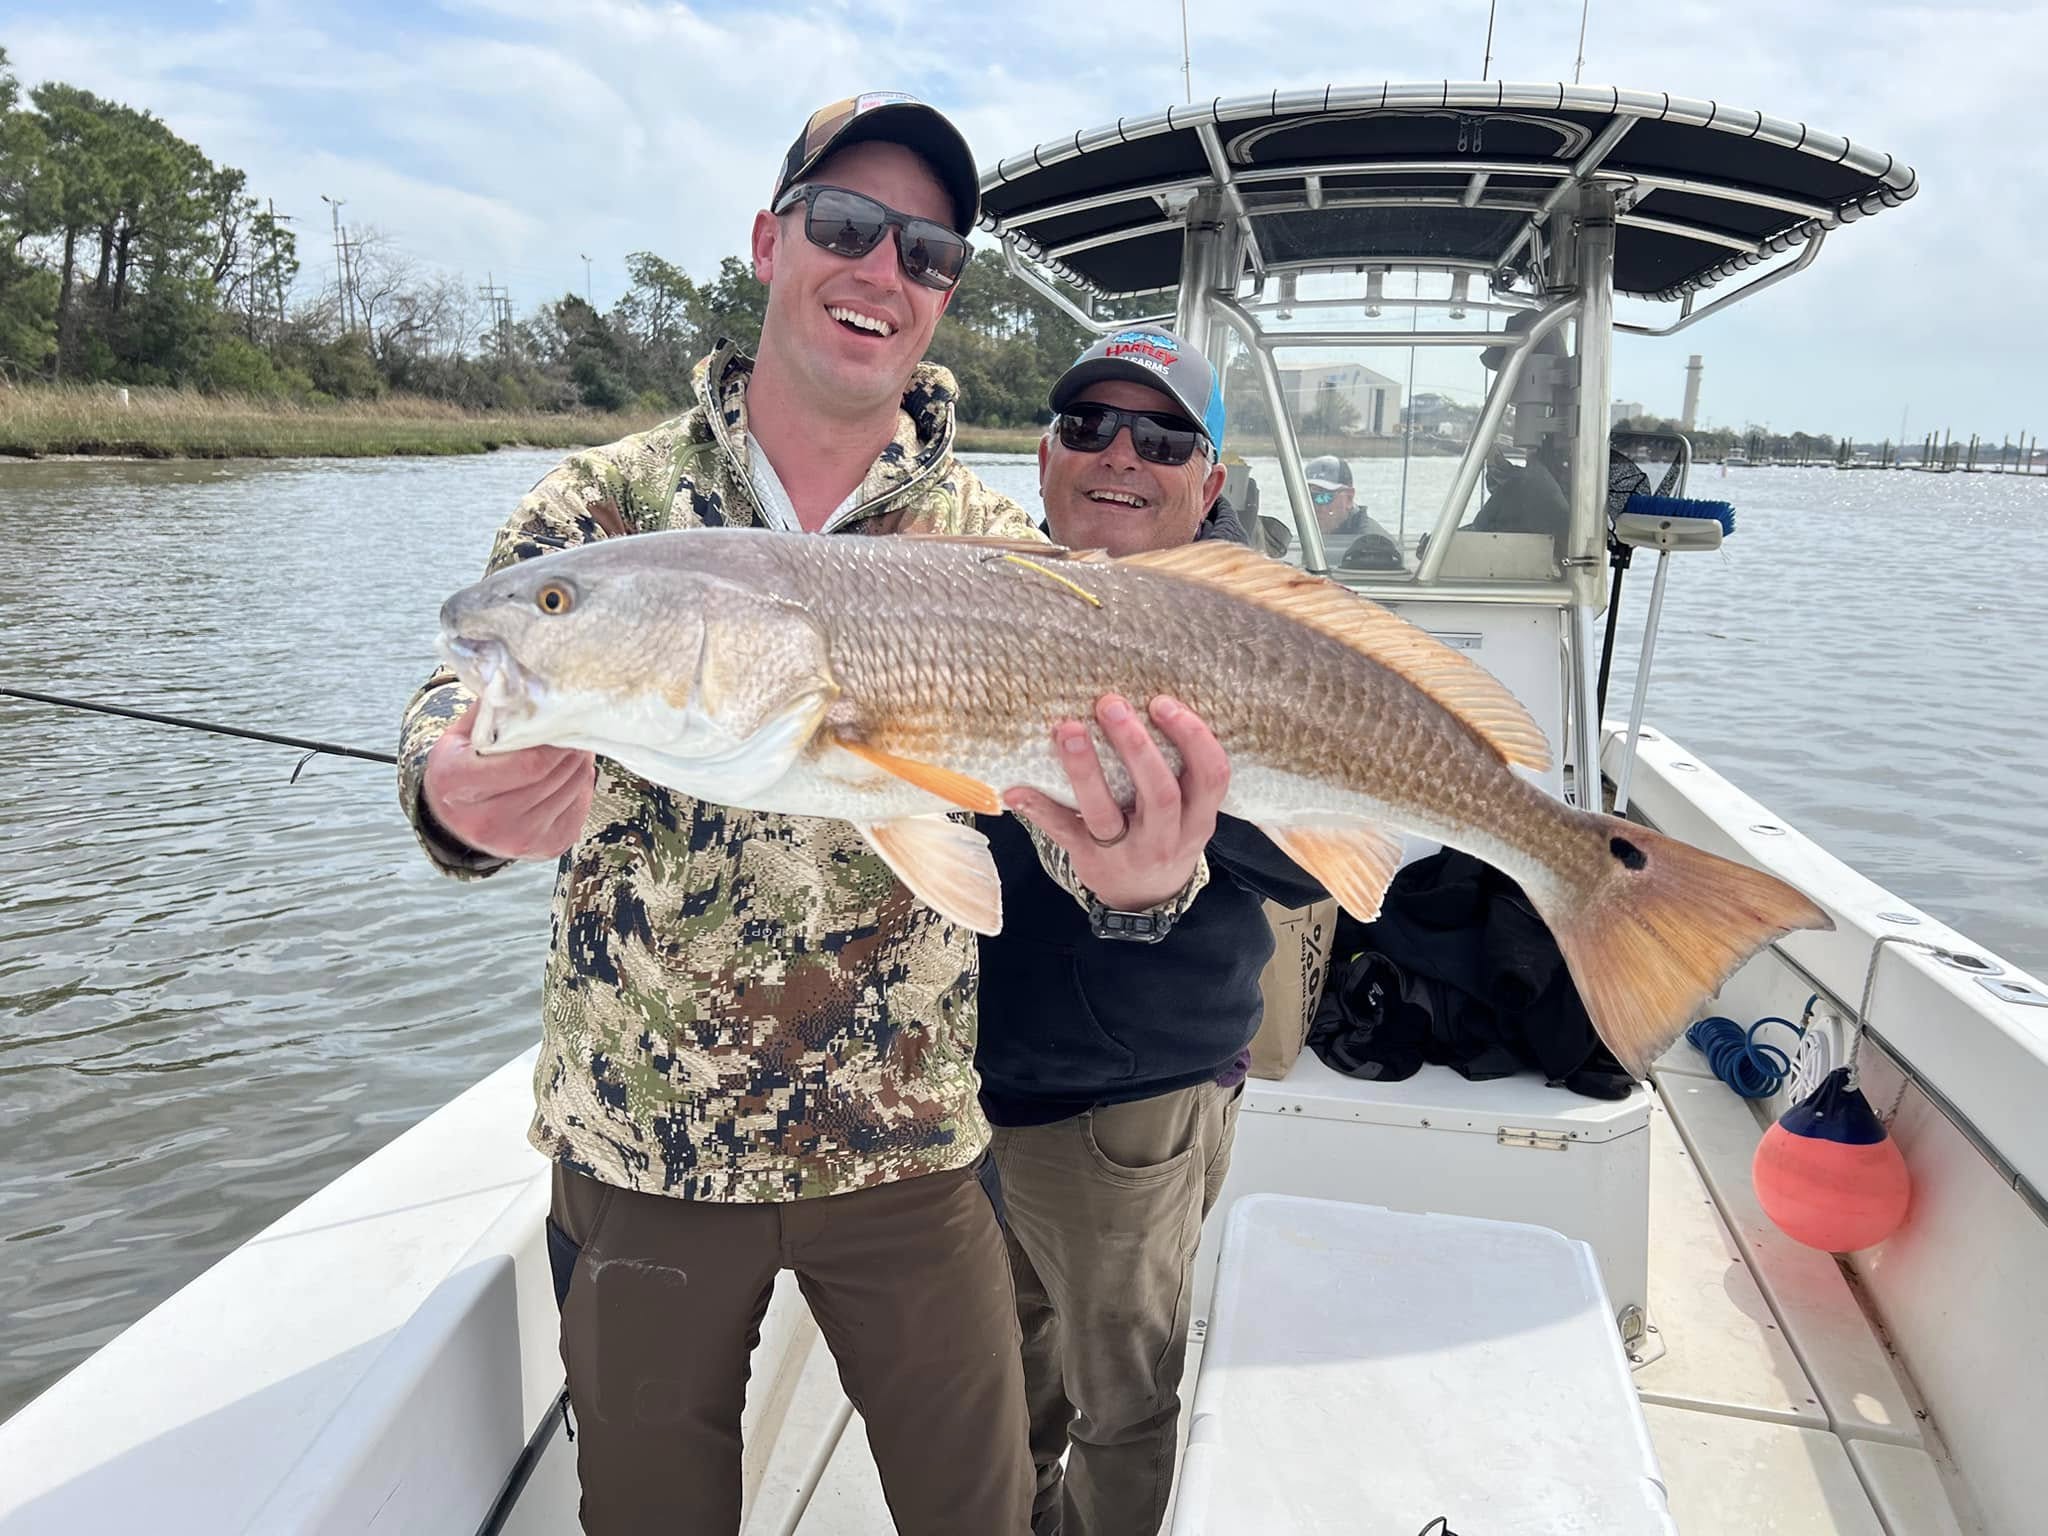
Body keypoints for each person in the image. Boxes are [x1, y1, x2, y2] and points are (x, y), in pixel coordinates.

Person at [396, 97, 1229, 1536]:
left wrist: (1144, 883)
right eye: (846, 227)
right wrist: (456, 796)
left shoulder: (999, 550)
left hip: (909, 1152)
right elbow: (452, 715)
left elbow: (1050, 843)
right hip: (642, 1146)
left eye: (927, 254)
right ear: (773, 240)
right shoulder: (601, 511)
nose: (881, 272)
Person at [977, 326, 1327, 1536]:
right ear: (1042, 456)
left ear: (1210, 482)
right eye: (1088, 426)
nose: (1120, 454)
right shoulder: (984, 592)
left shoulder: (1274, 631)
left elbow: (1306, 867)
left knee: (1117, 1396)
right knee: (991, 1376)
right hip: (951, 1083)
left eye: (1164, 435)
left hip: (1127, 1099)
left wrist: (1177, 817)